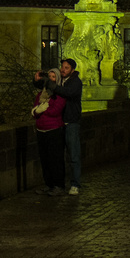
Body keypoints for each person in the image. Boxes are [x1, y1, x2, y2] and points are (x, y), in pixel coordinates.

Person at [33, 68, 69, 195]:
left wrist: (41, 110)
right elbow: (35, 109)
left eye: (53, 77)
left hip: (54, 130)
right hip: (41, 130)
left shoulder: (59, 95)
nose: (50, 79)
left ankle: (59, 185)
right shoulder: (42, 94)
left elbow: (55, 112)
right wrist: (39, 110)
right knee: (45, 159)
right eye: (49, 76)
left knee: (56, 159)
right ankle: (49, 184)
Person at [54, 58, 84, 195]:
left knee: (74, 155)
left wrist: (54, 86)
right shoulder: (61, 81)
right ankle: (57, 185)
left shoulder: (75, 82)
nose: (63, 70)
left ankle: (75, 184)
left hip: (71, 122)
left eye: (66, 68)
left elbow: (68, 93)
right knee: (59, 156)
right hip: (60, 122)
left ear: (72, 70)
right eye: (62, 67)